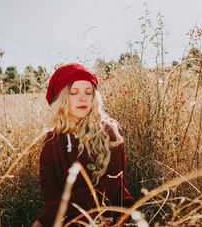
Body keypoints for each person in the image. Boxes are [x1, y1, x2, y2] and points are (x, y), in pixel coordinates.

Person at [32, 63, 133, 227]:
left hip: (113, 214)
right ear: (61, 98)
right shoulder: (51, 141)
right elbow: (50, 193)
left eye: (88, 92)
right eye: (73, 92)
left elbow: (110, 187)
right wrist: (78, 221)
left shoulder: (110, 131)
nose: (83, 98)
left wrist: (45, 220)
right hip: (68, 220)